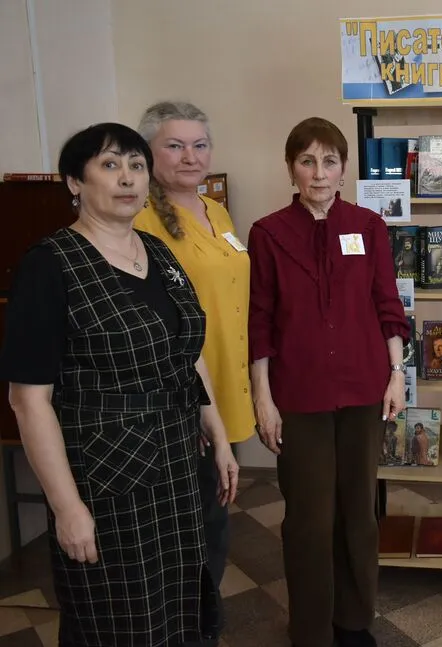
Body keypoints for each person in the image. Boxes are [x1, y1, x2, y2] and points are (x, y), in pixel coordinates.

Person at [0, 122, 239, 646]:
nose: (127, 178)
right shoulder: (50, 266)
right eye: (109, 165)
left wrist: (218, 434)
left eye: (135, 165)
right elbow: (29, 401)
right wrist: (67, 508)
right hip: (106, 474)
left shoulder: (157, 251)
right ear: (74, 182)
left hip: (175, 465)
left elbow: (187, 352)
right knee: (117, 618)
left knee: (177, 604)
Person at [247, 116, 410, 647]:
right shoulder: (269, 233)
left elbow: (387, 303)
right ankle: (312, 629)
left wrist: (396, 375)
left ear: (344, 169)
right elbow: (260, 321)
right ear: (291, 168)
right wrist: (263, 399)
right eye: (307, 161)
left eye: (329, 161)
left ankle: (354, 620)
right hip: (299, 395)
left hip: (364, 389)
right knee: (310, 520)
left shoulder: (369, 226)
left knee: (359, 512)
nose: (319, 173)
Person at [133, 100, 255, 618]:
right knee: (191, 524)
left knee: (214, 515)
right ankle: (189, 621)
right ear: (148, 152)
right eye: (175, 146)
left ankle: (201, 615)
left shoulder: (215, 211)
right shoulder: (140, 221)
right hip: (186, 398)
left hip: (227, 383)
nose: (190, 156)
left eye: (200, 145)